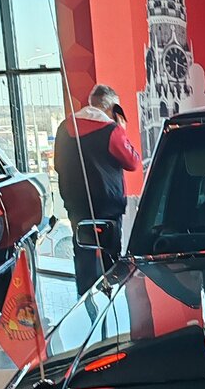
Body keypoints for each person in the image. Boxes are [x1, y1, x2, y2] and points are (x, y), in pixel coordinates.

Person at [54, 84, 141, 295]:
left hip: (76, 204)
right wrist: (121, 129)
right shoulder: (111, 131)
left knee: (82, 252)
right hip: (108, 205)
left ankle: (84, 298)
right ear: (110, 107)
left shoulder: (65, 127)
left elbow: (58, 164)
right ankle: (110, 298)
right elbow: (133, 162)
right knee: (110, 255)